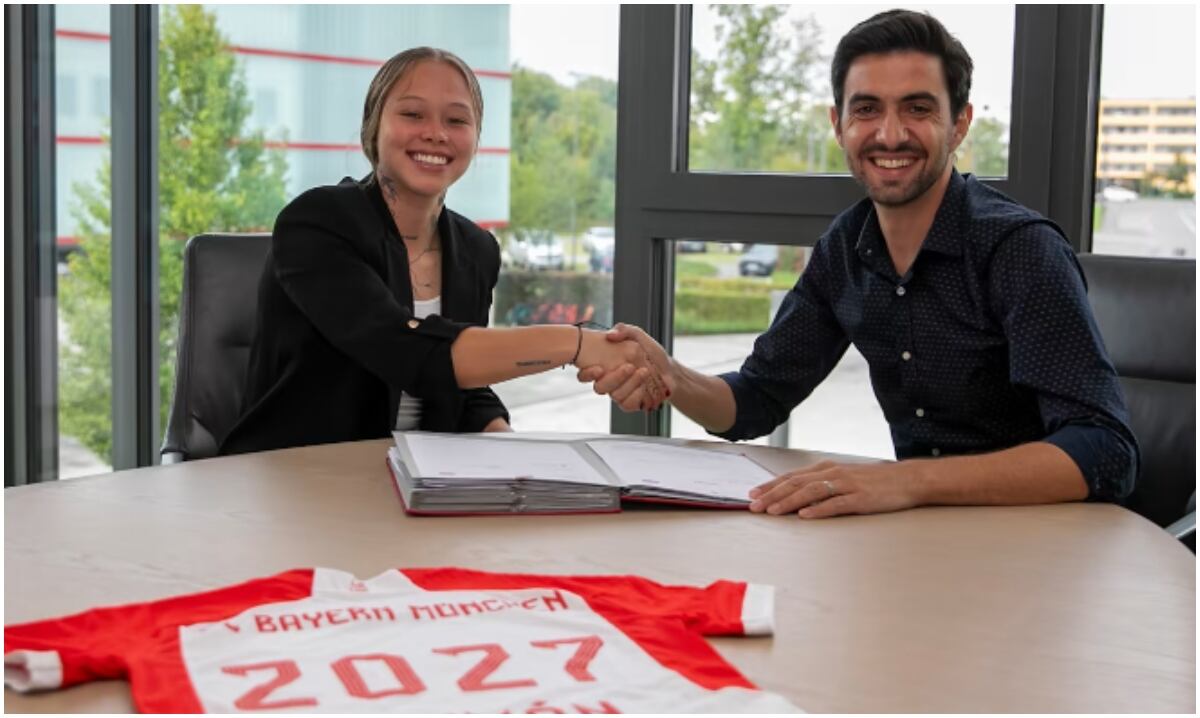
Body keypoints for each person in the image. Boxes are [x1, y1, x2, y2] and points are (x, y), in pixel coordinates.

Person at [582, 10, 1138, 519]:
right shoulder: (846, 247)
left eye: (918, 109)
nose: (889, 134)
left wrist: (908, 481)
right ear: (838, 124)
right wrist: (671, 376)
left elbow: (1104, 452)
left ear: (961, 124)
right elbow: (755, 401)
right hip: (927, 536)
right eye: (867, 109)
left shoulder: (1018, 248)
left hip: (1048, 539)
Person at [220, 47, 663, 456]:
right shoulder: (317, 222)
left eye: (456, 120)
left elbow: (464, 386)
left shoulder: (476, 249)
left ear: (475, 137)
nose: (435, 134)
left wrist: (518, 459)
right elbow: (410, 353)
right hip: (299, 482)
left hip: (423, 484)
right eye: (413, 113)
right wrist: (576, 343)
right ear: (374, 126)